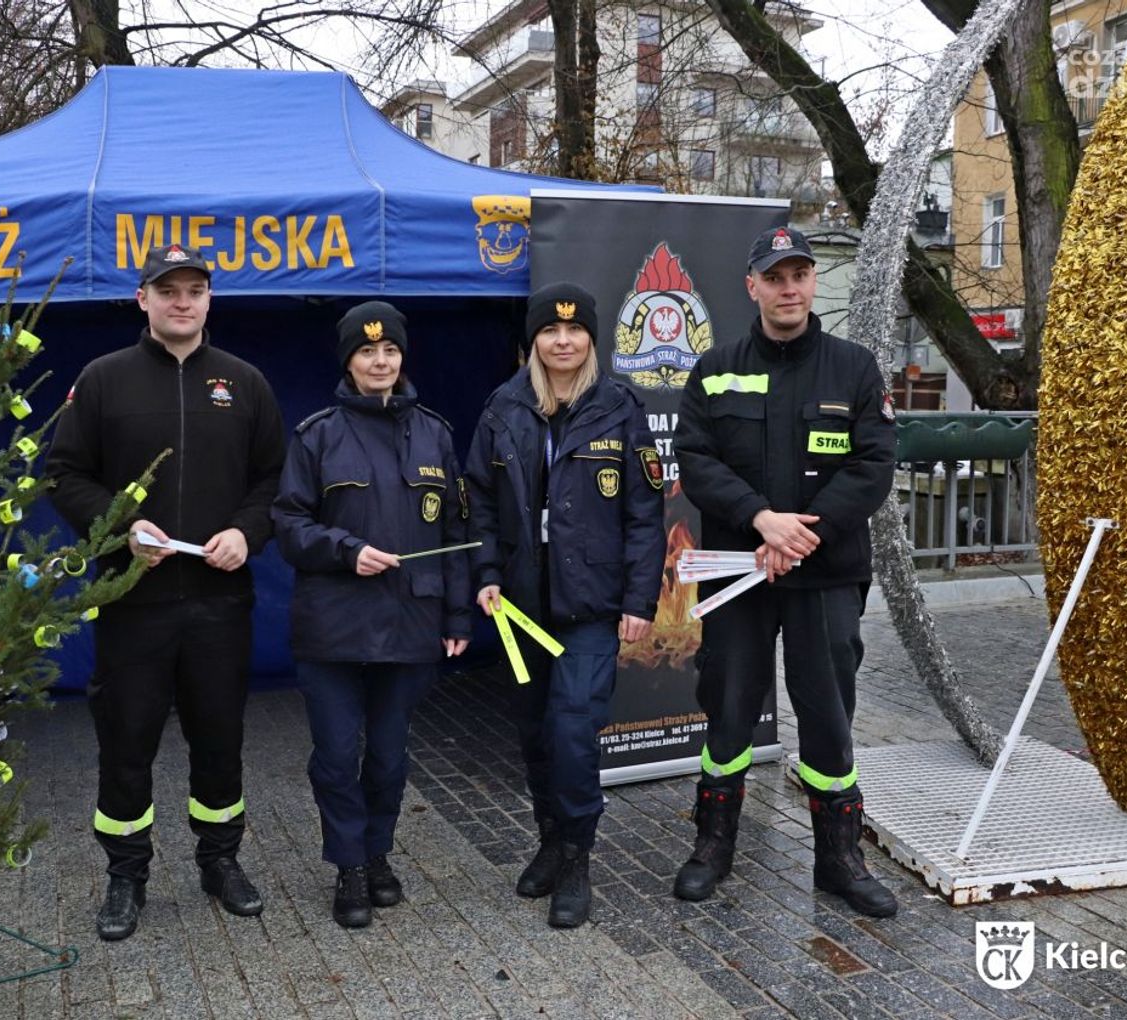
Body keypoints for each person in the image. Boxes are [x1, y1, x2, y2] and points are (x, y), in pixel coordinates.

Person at [47, 244, 286, 940]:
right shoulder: (103, 380)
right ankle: (126, 874)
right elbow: (64, 474)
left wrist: (246, 531)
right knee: (126, 743)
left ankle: (221, 860)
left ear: (210, 299)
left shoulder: (245, 383)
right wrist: (121, 526)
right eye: (168, 290)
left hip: (220, 603)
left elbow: (274, 479)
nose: (183, 302)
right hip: (132, 603)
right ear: (142, 299)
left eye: (195, 290)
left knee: (219, 739)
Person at [671, 227, 898, 917]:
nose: (789, 288)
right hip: (739, 572)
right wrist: (762, 519)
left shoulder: (854, 368)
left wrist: (803, 535)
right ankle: (713, 845)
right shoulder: (715, 369)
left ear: (812, 282)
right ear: (753, 287)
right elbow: (697, 461)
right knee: (729, 706)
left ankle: (839, 859)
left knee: (827, 713)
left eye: (799, 274)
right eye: (775, 277)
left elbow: (872, 465)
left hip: (824, 574)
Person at [465, 282, 666, 928]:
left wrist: (639, 599)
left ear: (591, 339)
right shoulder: (503, 408)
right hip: (522, 605)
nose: (562, 341)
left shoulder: (619, 408)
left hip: (592, 605)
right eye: (550, 331)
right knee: (534, 733)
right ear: (533, 341)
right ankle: (550, 840)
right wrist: (486, 573)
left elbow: (644, 516)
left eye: (575, 330)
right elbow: (480, 504)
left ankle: (577, 856)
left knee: (574, 731)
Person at [273, 301, 471, 928]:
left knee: (388, 756)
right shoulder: (317, 435)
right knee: (336, 757)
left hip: (411, 622)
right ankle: (349, 865)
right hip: (332, 626)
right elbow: (288, 525)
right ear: (348, 362)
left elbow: (457, 532)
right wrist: (346, 550)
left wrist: (458, 617)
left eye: (389, 350)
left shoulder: (436, 433)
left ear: (402, 357)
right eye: (366, 351)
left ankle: (378, 853)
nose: (380, 361)